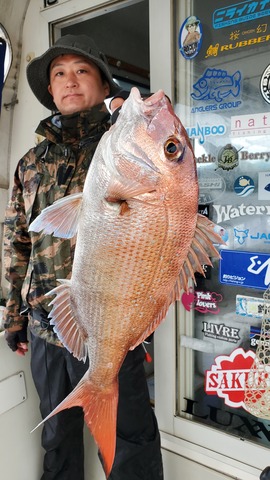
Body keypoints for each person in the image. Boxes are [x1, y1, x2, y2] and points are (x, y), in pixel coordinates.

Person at [3, 34, 163, 480]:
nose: (69, 81)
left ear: (101, 83)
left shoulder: (126, 145)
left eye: (81, 70)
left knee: (131, 439)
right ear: (50, 91)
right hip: (45, 330)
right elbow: (17, 242)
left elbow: (165, 201)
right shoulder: (30, 163)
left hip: (113, 327)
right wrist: (14, 317)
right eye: (58, 74)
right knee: (57, 440)